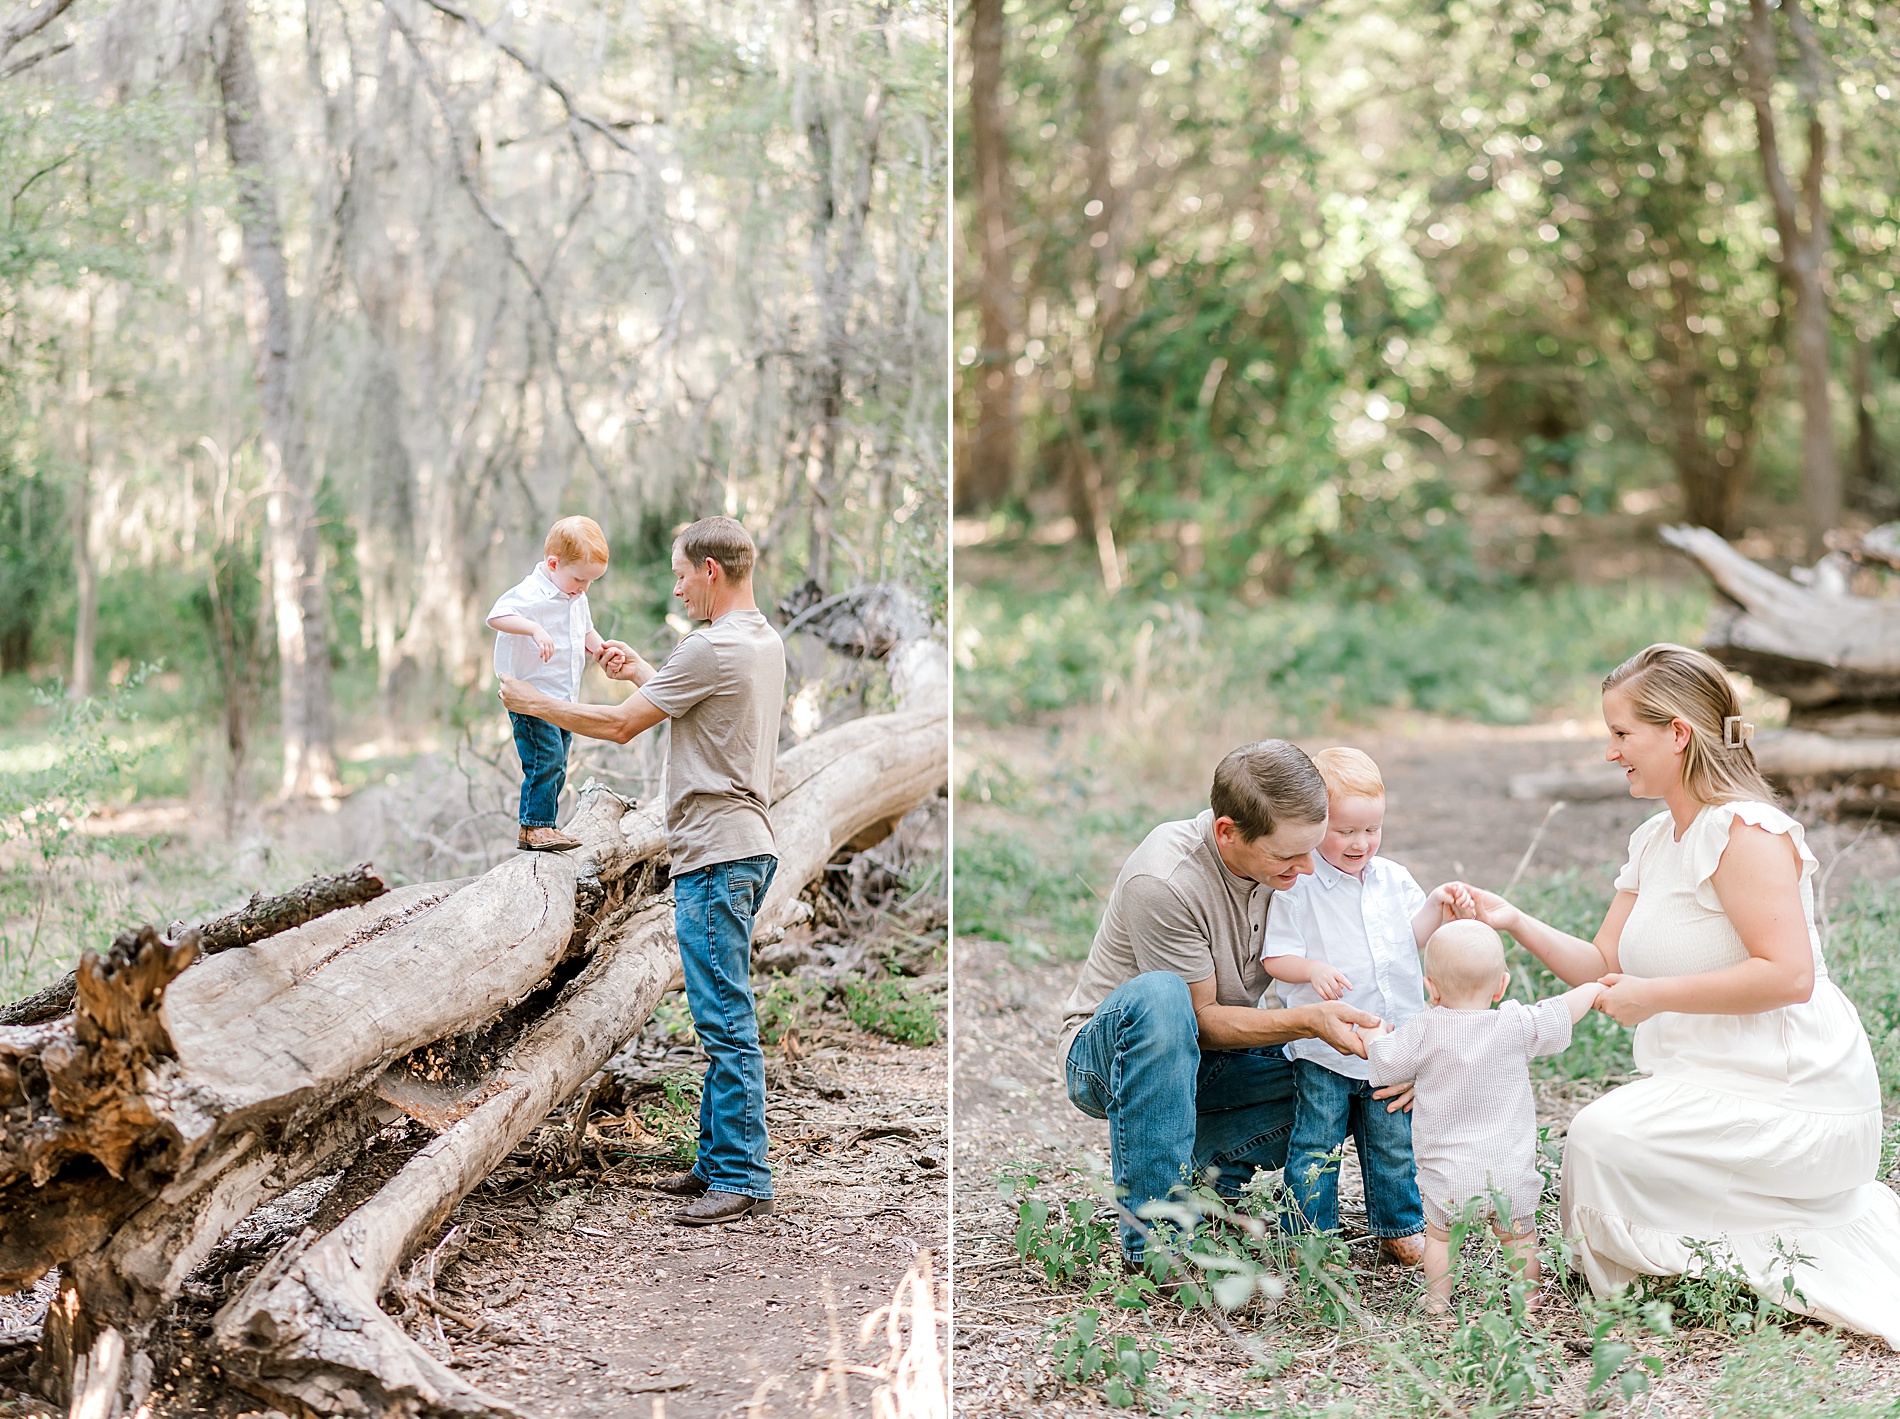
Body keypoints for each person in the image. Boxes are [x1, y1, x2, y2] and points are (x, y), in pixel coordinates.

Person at [1470, 643, 1900, 1346]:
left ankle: (1708, 1267)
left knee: (1600, 1139)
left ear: (1676, 732)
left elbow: (1789, 973)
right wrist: (1513, 919)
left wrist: (1656, 995)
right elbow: (1603, 962)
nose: (1610, 752)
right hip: (1708, 1077)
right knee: (1596, 1147)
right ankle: (1683, 1269)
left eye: (1620, 734)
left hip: (1794, 1089)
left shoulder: (1746, 831)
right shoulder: (1654, 837)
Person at [499, 516, 787, 1228]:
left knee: (724, 1019)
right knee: (720, 1010)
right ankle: (718, 1162)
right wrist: (644, 674)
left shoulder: (708, 645)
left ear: (711, 571)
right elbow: (705, 707)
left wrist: (535, 702)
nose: (677, 585)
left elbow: (623, 726)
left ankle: (744, 1175)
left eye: (681, 573)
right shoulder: (761, 640)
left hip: (717, 850)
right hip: (744, 843)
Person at [1056, 739, 1406, 1271]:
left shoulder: (1283, 865)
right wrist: (1307, 1021)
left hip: (1213, 1060)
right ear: (1227, 831)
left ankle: (1207, 1170)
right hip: (1115, 1057)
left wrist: (1389, 1054)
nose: (1308, 868)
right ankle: (1155, 1246)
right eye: (1288, 856)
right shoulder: (1167, 879)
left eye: (1312, 848)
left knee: (1334, 1082)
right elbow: (1198, 1025)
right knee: (1163, 997)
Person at [1262, 746, 1473, 1262]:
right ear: (1315, 826)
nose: (1361, 843)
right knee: (1317, 1144)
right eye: (1346, 831)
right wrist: (1311, 969)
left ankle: (1399, 1227)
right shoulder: (1300, 886)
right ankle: (1308, 1236)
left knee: (1393, 1142)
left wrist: (1438, 909)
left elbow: (1408, 940)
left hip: (1390, 1041)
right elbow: (1276, 956)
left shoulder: (1393, 879)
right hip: (1326, 1049)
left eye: (1371, 830)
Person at [1363, 920, 1601, 1311]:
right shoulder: (1515, 1023)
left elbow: (1386, 1064)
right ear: (1502, 986)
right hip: (1508, 1169)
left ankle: (1438, 1301)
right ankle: (1531, 1298)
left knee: (1441, 1239)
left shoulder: (1425, 1028)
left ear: (1432, 988)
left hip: (1448, 1174)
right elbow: (1558, 1012)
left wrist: (1373, 1037)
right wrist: (1592, 989)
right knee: (1521, 1238)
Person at [485, 515, 613, 853]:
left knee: (559, 761)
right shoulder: (530, 594)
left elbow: (585, 631)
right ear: (553, 563)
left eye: (591, 582)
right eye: (580, 578)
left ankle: (547, 824)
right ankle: (533, 827)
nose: (584, 587)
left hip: (563, 699)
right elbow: (496, 616)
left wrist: (599, 650)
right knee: (546, 759)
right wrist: (533, 628)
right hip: (531, 698)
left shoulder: (576, 597)